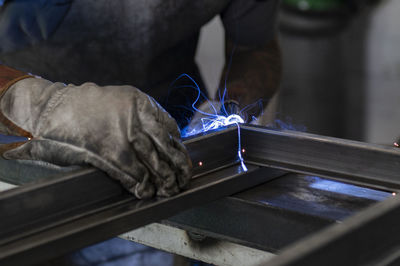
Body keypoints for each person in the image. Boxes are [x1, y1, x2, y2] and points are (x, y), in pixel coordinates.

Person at [0, 0, 281, 264]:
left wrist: (226, 111)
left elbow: (255, 49)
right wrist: (44, 107)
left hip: (153, 163)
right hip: (18, 149)